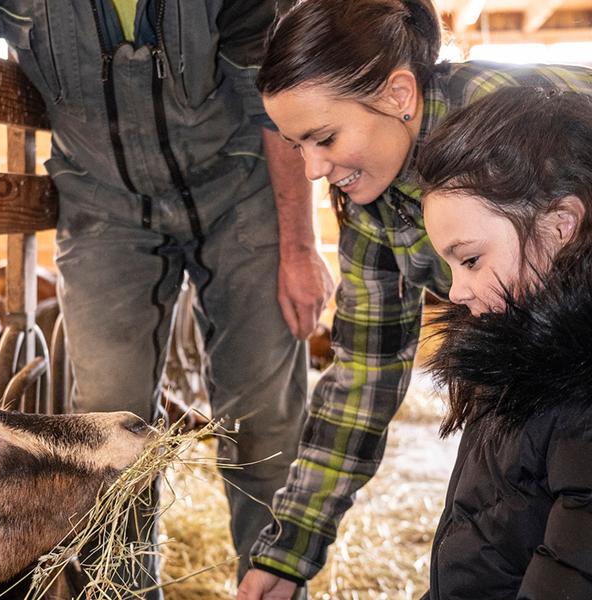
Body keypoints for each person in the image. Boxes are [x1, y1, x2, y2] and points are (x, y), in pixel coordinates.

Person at [0, 0, 334, 597]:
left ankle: (273, 583)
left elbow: (272, 93)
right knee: (104, 421)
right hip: (103, 208)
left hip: (242, 187)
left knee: (264, 418)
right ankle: (120, 590)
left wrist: (300, 245)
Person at [238, 1, 592, 597]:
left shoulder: (510, 118)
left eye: (323, 138)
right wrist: (288, 551)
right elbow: (364, 372)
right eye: (298, 145)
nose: (313, 169)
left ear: (400, 92)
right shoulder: (376, 204)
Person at [418, 86, 592, 599]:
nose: (455, 290)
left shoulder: (577, 397)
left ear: (560, 226)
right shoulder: (517, 357)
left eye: (470, 259)